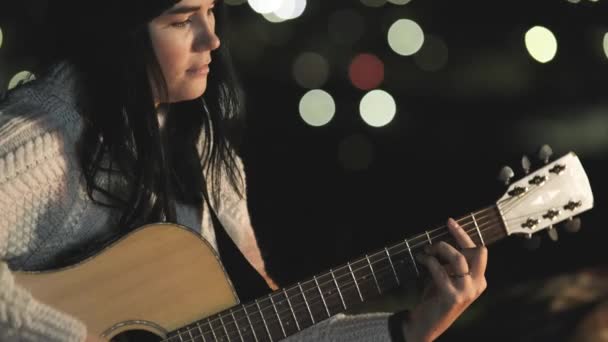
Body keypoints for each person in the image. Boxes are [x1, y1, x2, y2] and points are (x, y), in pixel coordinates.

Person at [0, 0, 488, 341]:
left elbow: (261, 325)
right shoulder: (43, 140)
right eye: (181, 20)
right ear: (117, 32)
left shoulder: (199, 144)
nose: (211, 37)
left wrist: (411, 329)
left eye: (211, 11)